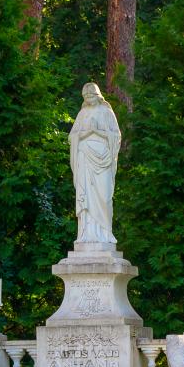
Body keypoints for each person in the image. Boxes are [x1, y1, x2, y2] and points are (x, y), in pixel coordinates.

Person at [69, 82, 122, 246]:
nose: (88, 99)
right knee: (87, 197)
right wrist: (86, 133)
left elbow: (116, 136)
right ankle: (86, 234)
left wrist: (98, 131)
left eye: (91, 96)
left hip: (103, 159)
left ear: (98, 95)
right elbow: (72, 137)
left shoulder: (106, 112)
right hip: (85, 157)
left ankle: (105, 233)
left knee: (104, 196)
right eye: (85, 97)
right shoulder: (82, 113)